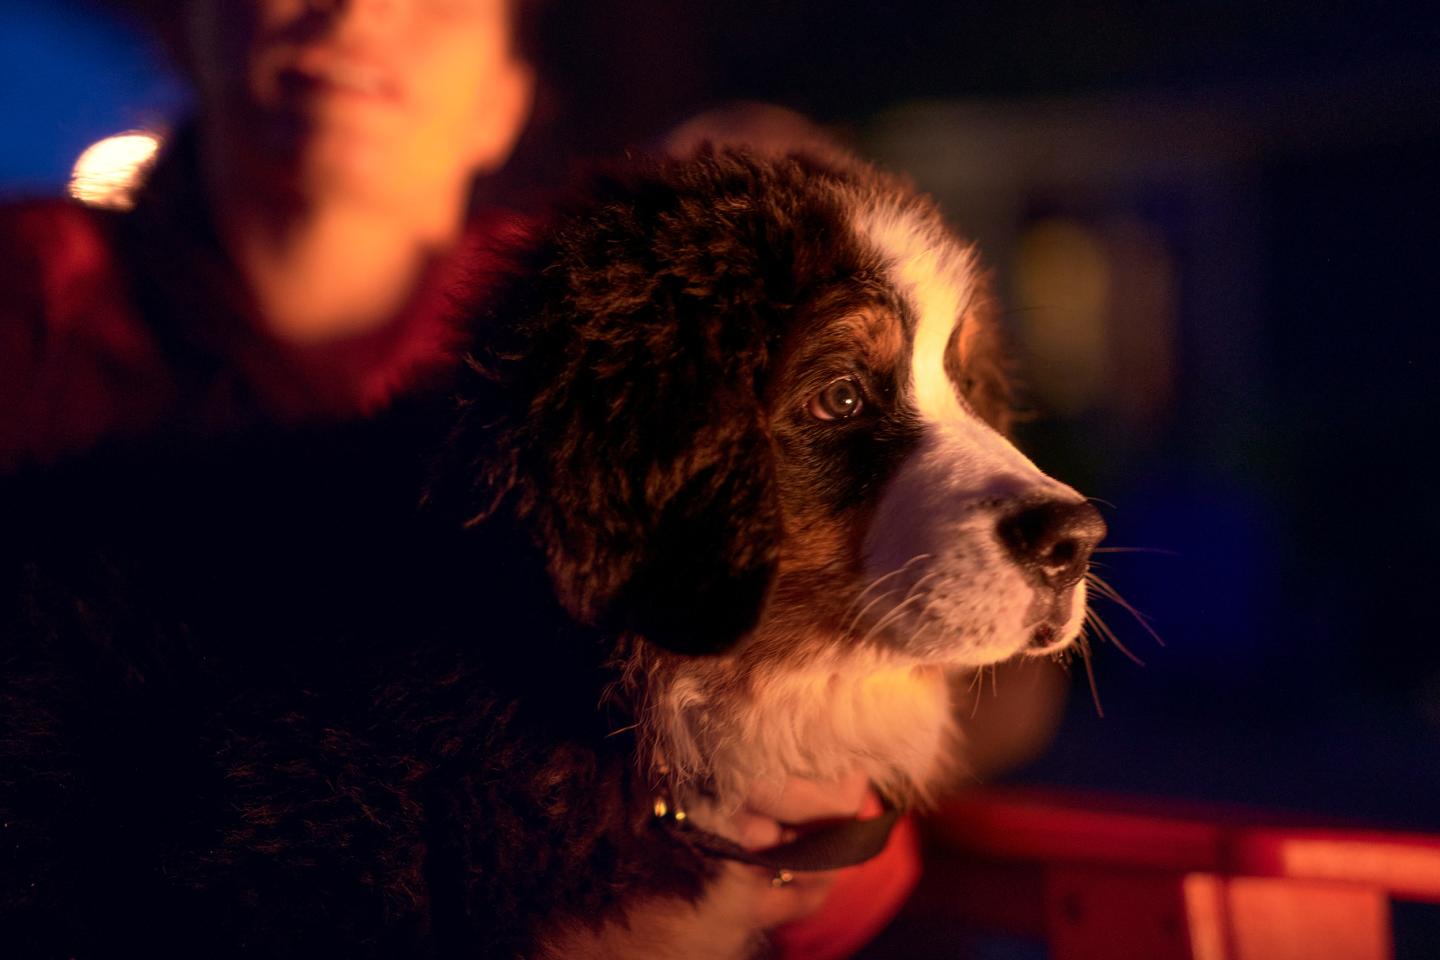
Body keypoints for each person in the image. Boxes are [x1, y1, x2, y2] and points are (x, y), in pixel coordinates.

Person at [0, 1, 917, 954]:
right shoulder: (28, 301)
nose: (354, 15)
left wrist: (772, 843)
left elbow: (846, 850)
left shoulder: (625, 353)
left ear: (508, 95)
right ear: (196, 26)